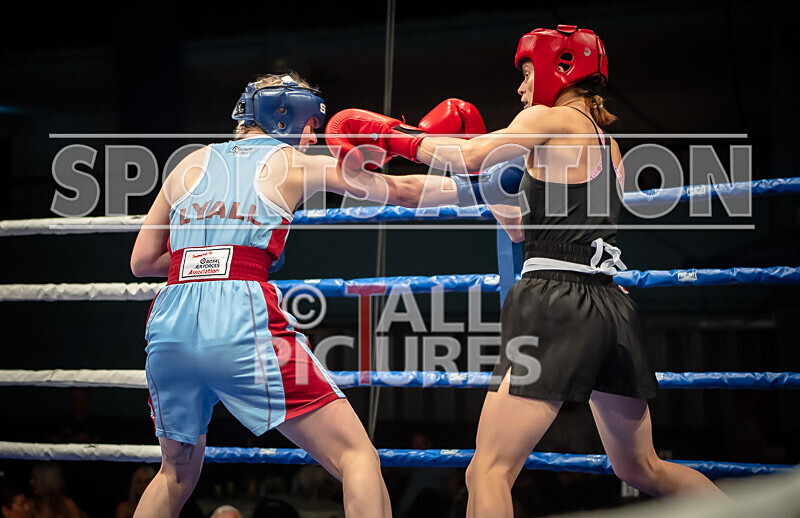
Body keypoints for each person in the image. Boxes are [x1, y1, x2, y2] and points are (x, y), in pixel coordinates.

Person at [325, 24, 726, 517]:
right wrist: (358, 174)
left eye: (526, 72)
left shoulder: (550, 120)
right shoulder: (607, 145)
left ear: (561, 68)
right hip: (610, 307)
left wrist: (392, 134)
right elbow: (513, 226)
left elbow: (471, 153)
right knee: (641, 467)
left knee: (487, 472)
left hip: (555, 301)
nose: (519, 88)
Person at [130, 72, 485, 518]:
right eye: (311, 123)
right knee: (357, 458)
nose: (314, 134)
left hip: (169, 326)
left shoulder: (186, 164)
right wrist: (484, 187)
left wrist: (206, 258)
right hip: (241, 320)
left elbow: (142, 261)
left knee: (175, 473)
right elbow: (402, 190)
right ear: (285, 115)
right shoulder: (294, 163)